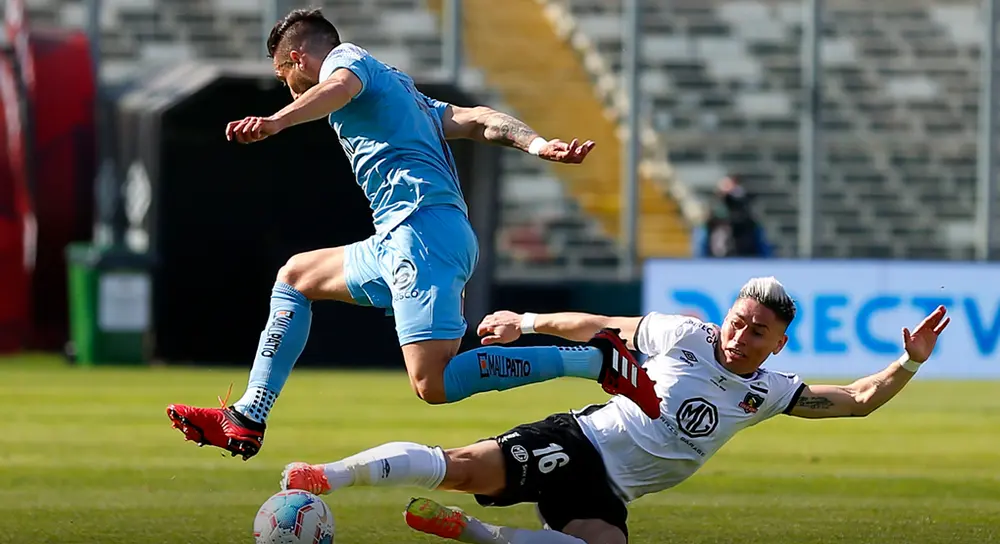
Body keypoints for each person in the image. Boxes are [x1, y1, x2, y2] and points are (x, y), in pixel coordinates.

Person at [165, 8, 658, 460]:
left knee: (433, 384)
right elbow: (479, 119)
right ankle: (249, 415)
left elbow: (338, 86)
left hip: (420, 233)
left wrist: (277, 122)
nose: (288, 89)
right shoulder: (403, 92)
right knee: (296, 277)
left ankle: (594, 361)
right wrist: (537, 143)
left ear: (297, 58)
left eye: (283, 76)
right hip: (403, 236)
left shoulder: (346, 61)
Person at [279, 276, 950, 544]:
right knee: (459, 467)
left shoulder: (770, 391)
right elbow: (599, 326)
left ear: (779, 343)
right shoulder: (681, 335)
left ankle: (471, 532)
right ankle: (327, 476)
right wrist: (526, 322)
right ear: (726, 317)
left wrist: (910, 361)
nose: (741, 336)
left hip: (610, 491)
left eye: (758, 332)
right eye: (739, 321)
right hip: (581, 442)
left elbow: (858, 398)